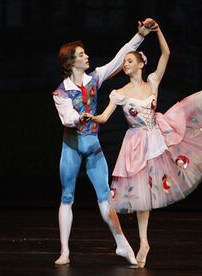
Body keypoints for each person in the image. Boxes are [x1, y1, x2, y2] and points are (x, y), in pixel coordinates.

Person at [87, 21, 202, 268]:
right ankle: (143, 242)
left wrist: (157, 31)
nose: (125, 64)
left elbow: (166, 53)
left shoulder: (152, 82)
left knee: (192, 103)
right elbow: (103, 117)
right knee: (142, 196)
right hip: (136, 143)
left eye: (130, 61)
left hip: (158, 132)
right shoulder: (119, 93)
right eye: (124, 63)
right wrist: (90, 118)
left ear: (142, 64)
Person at [52, 18, 157, 266]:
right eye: (81, 54)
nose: (86, 56)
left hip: (94, 146)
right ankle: (65, 251)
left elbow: (119, 59)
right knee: (67, 197)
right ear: (70, 62)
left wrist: (140, 35)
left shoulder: (95, 79)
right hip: (72, 148)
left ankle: (122, 244)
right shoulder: (61, 91)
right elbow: (67, 119)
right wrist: (81, 117)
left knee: (104, 198)